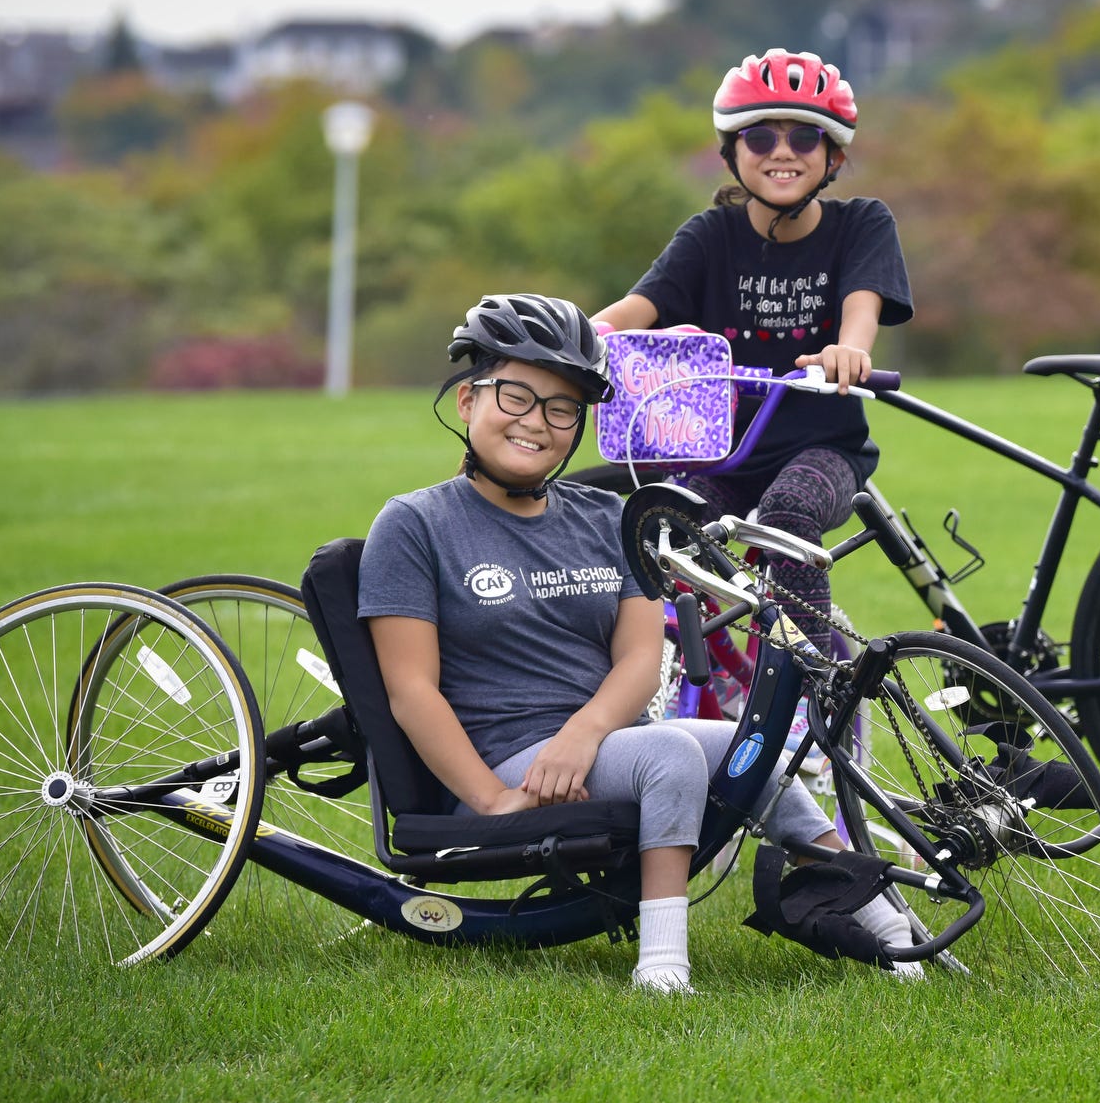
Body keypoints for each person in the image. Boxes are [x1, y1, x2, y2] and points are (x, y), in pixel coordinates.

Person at [358, 292, 920, 993]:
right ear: (470, 401)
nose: (537, 422)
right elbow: (411, 692)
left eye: (561, 408)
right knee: (668, 752)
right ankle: (662, 966)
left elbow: (638, 658)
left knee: (757, 753)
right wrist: (492, 800)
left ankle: (895, 933)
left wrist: (583, 734)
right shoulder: (414, 524)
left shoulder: (606, 516)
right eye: (516, 396)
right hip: (499, 768)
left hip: (593, 749)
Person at [595, 48, 911, 651]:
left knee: (786, 516)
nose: (782, 152)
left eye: (805, 137)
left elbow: (861, 305)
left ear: (835, 155)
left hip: (825, 451)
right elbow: (635, 311)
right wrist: (561, 339)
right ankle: (699, 676)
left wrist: (848, 351)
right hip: (723, 455)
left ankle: (809, 687)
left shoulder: (862, 225)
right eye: (760, 137)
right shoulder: (710, 237)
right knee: (662, 527)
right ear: (732, 154)